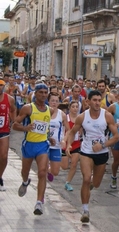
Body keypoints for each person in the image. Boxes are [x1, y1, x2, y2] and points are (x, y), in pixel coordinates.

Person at [65, 90, 119, 223]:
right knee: (86, 178)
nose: (97, 103)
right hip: (86, 152)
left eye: (99, 100)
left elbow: (117, 137)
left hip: (101, 153)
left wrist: (103, 145)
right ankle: (85, 210)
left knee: (96, 183)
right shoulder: (82, 117)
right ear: (88, 102)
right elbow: (72, 132)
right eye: (94, 100)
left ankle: (90, 184)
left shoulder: (107, 116)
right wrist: (69, 145)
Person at [12, 83, 55, 215]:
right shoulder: (28, 108)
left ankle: (39, 202)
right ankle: (25, 182)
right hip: (29, 145)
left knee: (42, 172)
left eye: (45, 92)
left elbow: (45, 127)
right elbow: (15, 125)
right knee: (25, 171)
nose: (43, 95)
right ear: (35, 94)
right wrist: (25, 128)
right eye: (40, 92)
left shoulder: (50, 110)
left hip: (42, 145)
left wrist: (49, 137)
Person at [47, 92, 70, 182]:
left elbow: (68, 130)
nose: (54, 103)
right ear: (48, 101)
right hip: (44, 144)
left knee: (55, 172)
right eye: (52, 100)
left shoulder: (62, 115)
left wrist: (64, 140)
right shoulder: (43, 112)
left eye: (56, 101)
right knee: (42, 167)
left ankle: (48, 170)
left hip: (56, 145)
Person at [60, 100, 81, 191]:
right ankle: (51, 167)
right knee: (64, 167)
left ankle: (68, 182)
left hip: (76, 144)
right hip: (65, 144)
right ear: (69, 108)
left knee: (74, 164)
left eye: (77, 107)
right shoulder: (66, 118)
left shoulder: (80, 118)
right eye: (73, 107)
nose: (75, 109)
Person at [0, 79, 17, 191]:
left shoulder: (9, 99)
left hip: (4, 130)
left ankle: (0, 176)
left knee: (4, 156)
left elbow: (13, 110)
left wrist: (13, 121)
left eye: (1, 86)